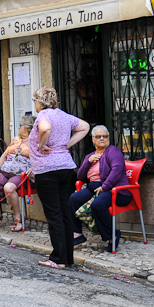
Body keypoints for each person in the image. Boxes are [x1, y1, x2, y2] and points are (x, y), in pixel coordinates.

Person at [29, 87, 90, 270]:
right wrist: (66, 145)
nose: (35, 105)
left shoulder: (43, 115)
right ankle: (67, 258)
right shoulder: (64, 115)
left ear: (40, 102)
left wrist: (42, 145)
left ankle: (57, 259)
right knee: (64, 214)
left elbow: (45, 128)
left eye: (35, 101)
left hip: (47, 170)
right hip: (65, 168)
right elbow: (85, 127)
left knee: (54, 214)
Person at [68, 125, 131, 250]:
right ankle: (77, 233)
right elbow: (80, 176)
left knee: (97, 205)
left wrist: (104, 187)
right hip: (94, 189)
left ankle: (112, 235)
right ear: (93, 140)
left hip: (115, 190)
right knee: (73, 199)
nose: (102, 138)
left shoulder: (113, 151)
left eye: (105, 136)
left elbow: (116, 170)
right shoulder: (90, 156)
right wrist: (88, 161)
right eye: (98, 136)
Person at [0, 115, 34, 232]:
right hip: (5, 172)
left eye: (21, 125)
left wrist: (34, 168)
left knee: (8, 188)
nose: (19, 126)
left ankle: (18, 218)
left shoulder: (35, 142)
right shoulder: (16, 139)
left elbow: (41, 159)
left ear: (28, 127)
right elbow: (5, 155)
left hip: (20, 175)